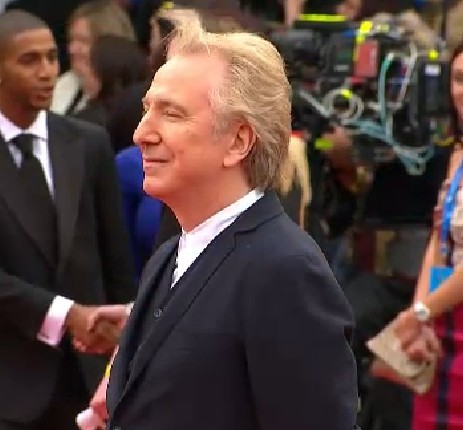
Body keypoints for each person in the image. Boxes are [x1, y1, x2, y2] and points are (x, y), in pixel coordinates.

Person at [91, 10, 358, 430]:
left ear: (238, 141)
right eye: (147, 110)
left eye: (171, 114)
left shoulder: (284, 271)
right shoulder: (170, 255)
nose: (142, 133)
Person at [0, 10, 135, 430]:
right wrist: (65, 314)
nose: (46, 72)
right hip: (8, 385)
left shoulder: (88, 143)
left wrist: (125, 355)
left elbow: (115, 258)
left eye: (51, 58)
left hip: (87, 381)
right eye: (29, 61)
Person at [391, 40, 463, 430]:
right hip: (444, 321)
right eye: (459, 79)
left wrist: (422, 311)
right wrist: (421, 315)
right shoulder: (457, 152)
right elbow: (441, 237)